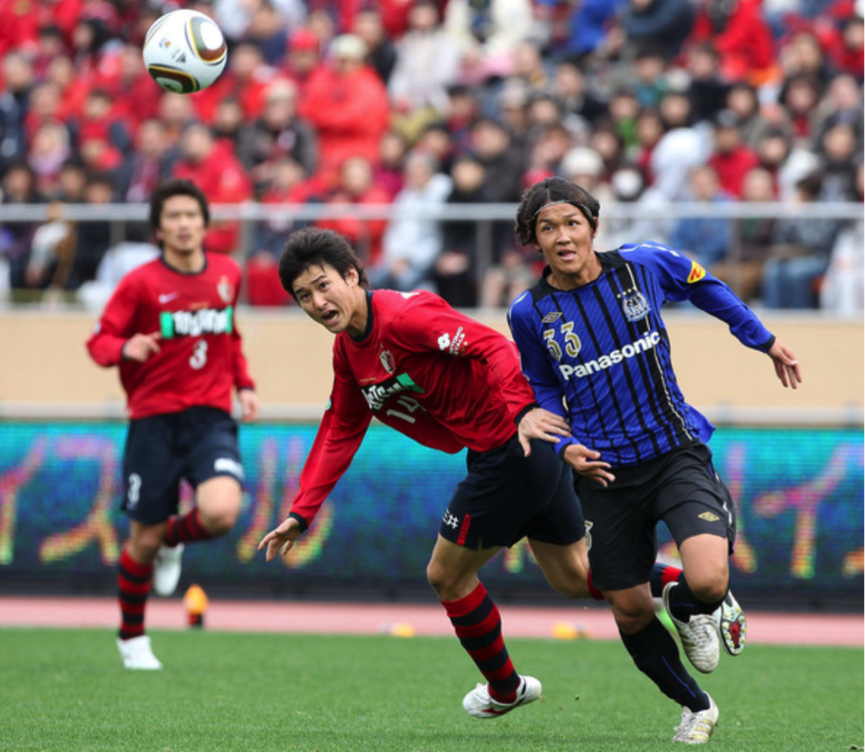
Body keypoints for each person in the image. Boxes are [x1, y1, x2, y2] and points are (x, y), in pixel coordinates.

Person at [258, 226, 726, 720]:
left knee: (445, 575)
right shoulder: (348, 352)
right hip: (518, 451)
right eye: (303, 296)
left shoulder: (404, 315)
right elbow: (340, 428)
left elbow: (495, 348)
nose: (316, 301)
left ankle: (506, 688)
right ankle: (689, 586)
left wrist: (523, 413)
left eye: (323, 285)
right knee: (575, 578)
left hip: (512, 447)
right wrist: (301, 512)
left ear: (352, 275)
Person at [507, 177, 800, 744]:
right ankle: (696, 706)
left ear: (593, 225)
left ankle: (691, 606)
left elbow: (706, 286)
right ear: (534, 241)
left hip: (674, 452)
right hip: (604, 473)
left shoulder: (643, 264)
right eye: (548, 228)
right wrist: (565, 447)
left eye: (572, 223)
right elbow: (542, 389)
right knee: (628, 610)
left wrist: (762, 340)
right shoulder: (529, 312)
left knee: (710, 580)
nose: (563, 236)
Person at [86, 179, 259, 670]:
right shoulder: (139, 283)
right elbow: (98, 342)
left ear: (205, 223)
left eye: (192, 215)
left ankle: (171, 540)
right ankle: (132, 637)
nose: (184, 224)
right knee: (139, 541)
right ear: (158, 229)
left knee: (222, 512)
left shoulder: (227, 272)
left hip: (210, 418)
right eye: (173, 217)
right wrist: (125, 348)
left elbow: (230, 335)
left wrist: (244, 383)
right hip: (153, 420)